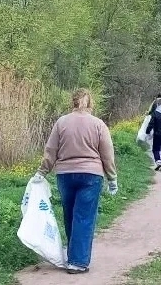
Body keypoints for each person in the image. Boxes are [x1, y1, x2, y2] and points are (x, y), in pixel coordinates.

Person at [36, 89, 118, 275]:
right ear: (90, 103)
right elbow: (107, 154)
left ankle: (72, 255)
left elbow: (51, 150)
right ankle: (78, 261)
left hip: (65, 174)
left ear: (73, 102)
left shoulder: (61, 123)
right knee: (84, 217)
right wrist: (112, 178)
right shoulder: (98, 124)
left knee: (70, 215)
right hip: (91, 175)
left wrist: (42, 172)